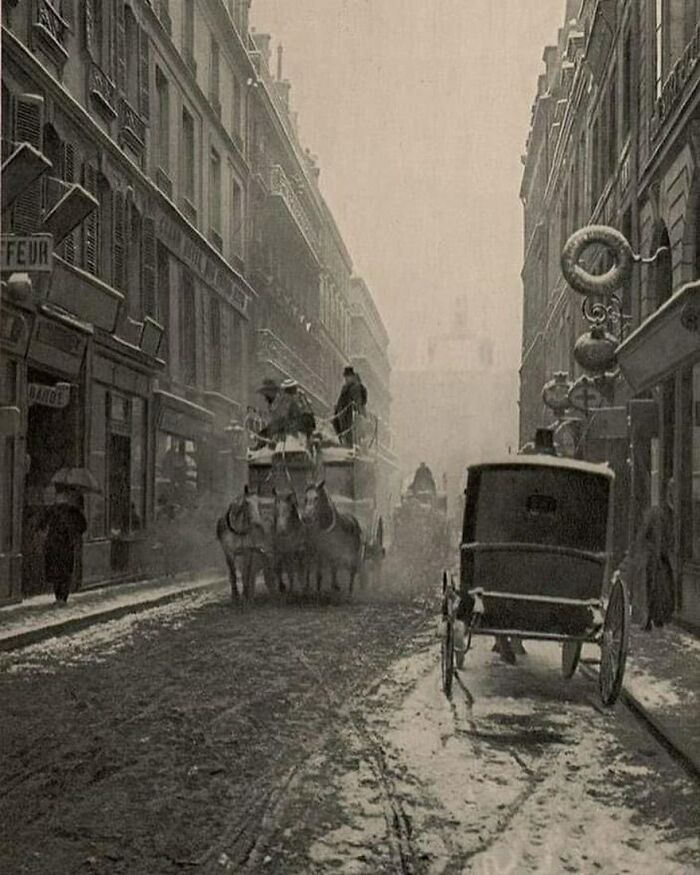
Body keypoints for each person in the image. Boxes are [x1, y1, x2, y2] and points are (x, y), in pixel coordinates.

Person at [39, 485, 87, 604]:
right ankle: (63, 597)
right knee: (65, 572)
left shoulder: (52, 509)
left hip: (54, 544)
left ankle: (58, 596)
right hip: (66, 544)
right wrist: (75, 533)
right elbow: (83, 526)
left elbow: (41, 524)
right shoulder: (73, 511)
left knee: (57, 572)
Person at [333, 366, 365, 447]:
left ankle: (349, 444)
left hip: (349, 414)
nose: (346, 379)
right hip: (343, 413)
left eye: (348, 377)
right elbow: (341, 400)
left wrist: (358, 411)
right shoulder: (345, 387)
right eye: (345, 377)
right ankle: (344, 442)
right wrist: (337, 409)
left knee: (349, 431)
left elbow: (358, 402)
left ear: (352, 376)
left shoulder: (355, 387)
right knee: (340, 427)